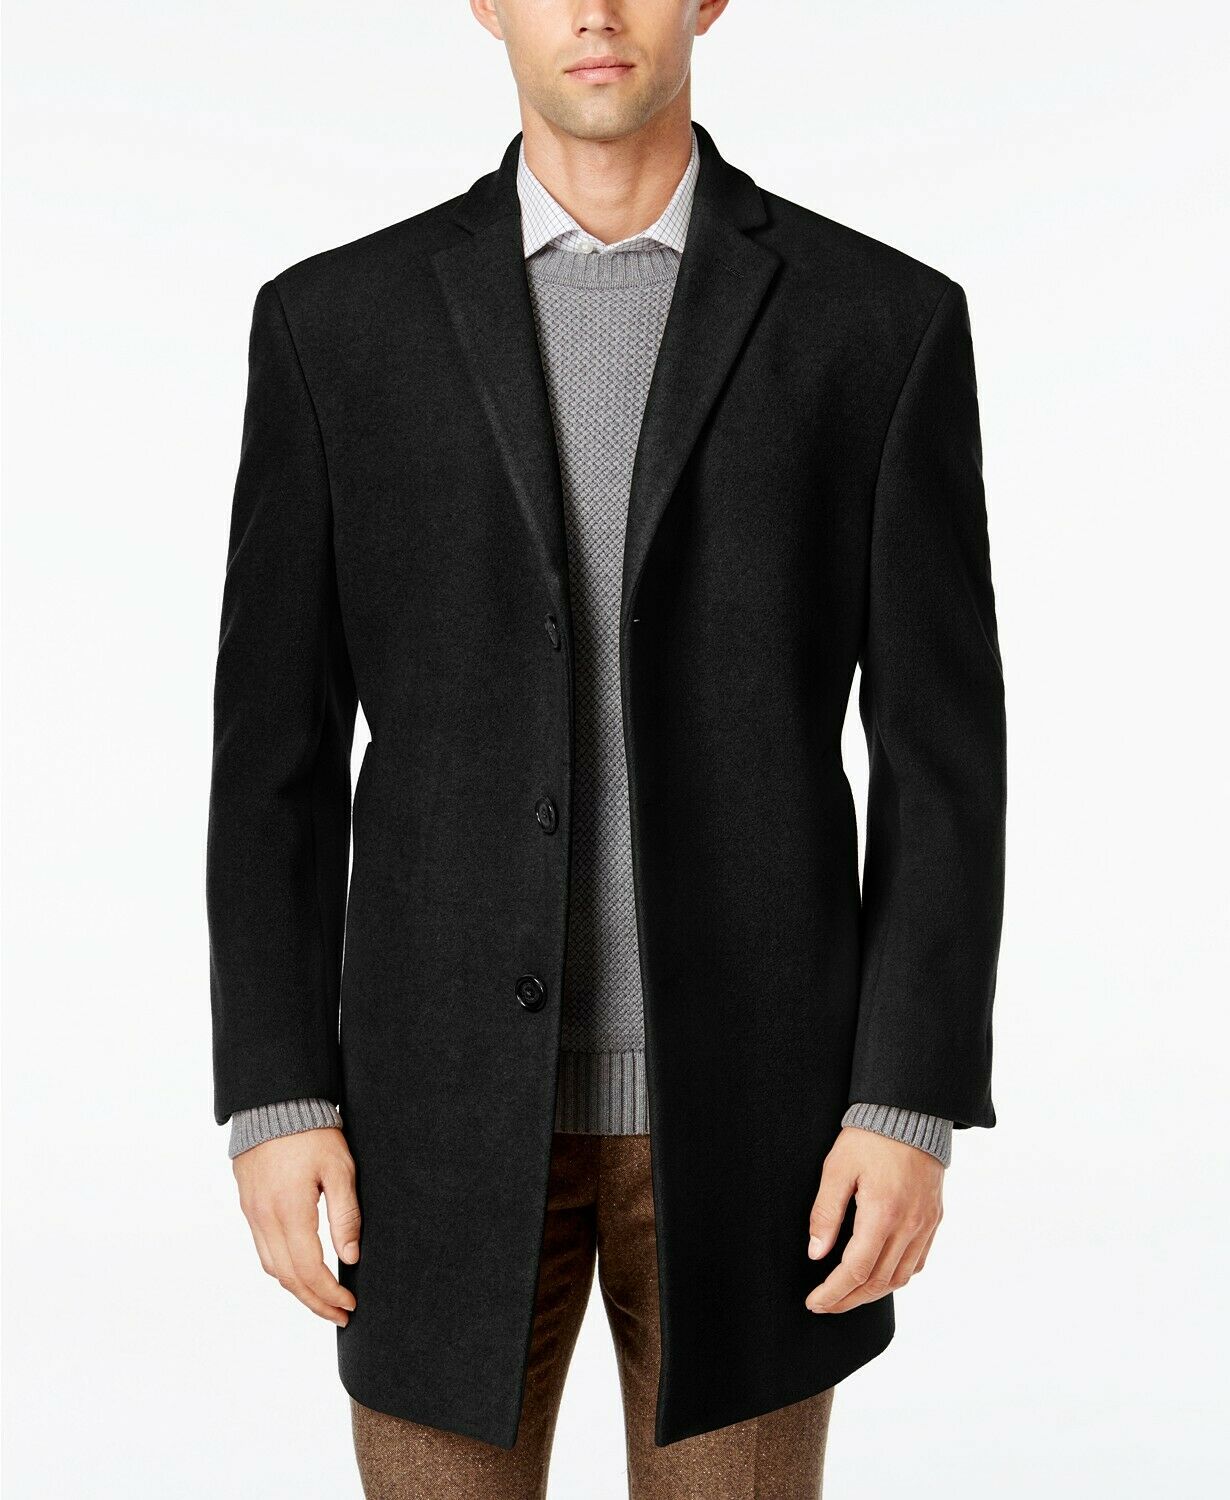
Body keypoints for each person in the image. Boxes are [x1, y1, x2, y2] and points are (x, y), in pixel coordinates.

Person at [206, 2, 1006, 1494]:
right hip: (425, 1131)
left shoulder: (876, 322)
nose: (591, 9)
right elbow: (272, 762)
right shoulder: (336, 326)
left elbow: (941, 757)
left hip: (764, 1132)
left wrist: (909, 1099)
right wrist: (274, 1091)